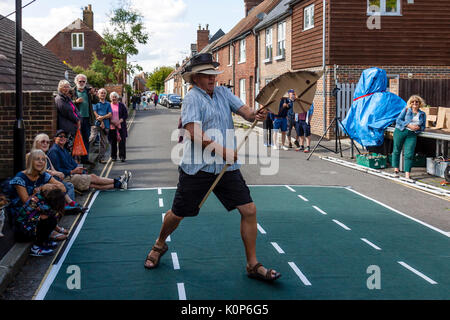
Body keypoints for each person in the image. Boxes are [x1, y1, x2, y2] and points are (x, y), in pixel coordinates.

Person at [143, 53, 281, 282]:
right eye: (207, 75)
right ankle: (159, 245)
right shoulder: (192, 99)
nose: (212, 79)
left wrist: (256, 113)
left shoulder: (223, 92)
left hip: (226, 168)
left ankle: (252, 264)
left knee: (249, 210)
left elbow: (246, 112)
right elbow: (193, 132)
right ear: (195, 78)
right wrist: (222, 149)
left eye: (213, 74)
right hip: (198, 168)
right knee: (178, 214)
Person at [8, 149, 67, 256]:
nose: (41, 162)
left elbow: (62, 188)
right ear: (30, 162)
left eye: (43, 159)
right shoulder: (20, 178)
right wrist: (40, 192)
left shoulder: (43, 175)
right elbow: (26, 202)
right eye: (37, 159)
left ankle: (44, 240)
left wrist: (46, 187)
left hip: (36, 211)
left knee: (56, 206)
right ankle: (36, 247)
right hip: (21, 218)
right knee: (47, 217)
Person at [48, 130, 131, 191]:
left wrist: (80, 170)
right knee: (93, 178)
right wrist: (72, 171)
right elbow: (57, 171)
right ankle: (119, 180)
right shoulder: (54, 151)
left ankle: (120, 184)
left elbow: (72, 163)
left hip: (71, 174)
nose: (63, 138)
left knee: (93, 184)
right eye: (60, 136)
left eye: (64, 136)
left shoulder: (63, 149)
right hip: (64, 178)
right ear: (55, 138)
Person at [30, 134, 87, 215]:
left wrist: (58, 173)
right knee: (62, 186)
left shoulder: (46, 156)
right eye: (43, 141)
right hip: (38, 183)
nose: (45, 143)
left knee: (67, 185)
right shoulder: (31, 155)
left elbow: (53, 169)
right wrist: (56, 173)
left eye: (47, 142)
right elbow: (39, 171)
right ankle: (67, 206)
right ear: (36, 143)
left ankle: (69, 205)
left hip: (47, 179)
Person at [392, 95, 427, 180]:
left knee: (409, 153)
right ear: (410, 103)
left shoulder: (422, 114)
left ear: (419, 103)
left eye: (416, 102)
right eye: (413, 102)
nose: (414, 103)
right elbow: (398, 120)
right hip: (401, 131)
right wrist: (408, 125)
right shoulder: (406, 110)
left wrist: (418, 128)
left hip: (412, 134)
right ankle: (396, 170)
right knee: (397, 150)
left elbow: (423, 126)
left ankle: (407, 174)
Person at [73, 74, 96, 165]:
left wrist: (93, 94)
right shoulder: (72, 91)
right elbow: (68, 102)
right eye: (80, 81)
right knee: (76, 138)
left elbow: (95, 101)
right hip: (76, 119)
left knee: (86, 138)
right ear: (76, 82)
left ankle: (85, 159)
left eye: (83, 81)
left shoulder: (88, 91)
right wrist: (76, 101)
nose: (82, 83)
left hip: (86, 118)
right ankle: (76, 160)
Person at [55, 80, 81, 153]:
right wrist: (77, 120)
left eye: (67, 87)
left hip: (72, 127)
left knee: (72, 148)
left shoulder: (67, 98)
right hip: (66, 128)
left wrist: (79, 118)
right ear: (60, 88)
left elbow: (76, 110)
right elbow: (68, 113)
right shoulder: (59, 99)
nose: (66, 89)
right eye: (64, 87)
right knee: (68, 148)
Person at [90, 88, 112, 164]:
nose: (102, 94)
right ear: (98, 94)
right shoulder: (95, 103)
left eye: (104, 93)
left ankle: (101, 158)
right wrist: (101, 121)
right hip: (96, 124)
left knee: (104, 142)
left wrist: (102, 118)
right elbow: (94, 113)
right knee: (92, 138)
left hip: (106, 125)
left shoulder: (108, 104)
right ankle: (84, 155)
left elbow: (110, 114)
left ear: (106, 95)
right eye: (101, 93)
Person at [109, 92, 129, 162]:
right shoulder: (108, 105)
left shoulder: (121, 105)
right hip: (112, 126)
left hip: (121, 126)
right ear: (110, 98)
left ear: (117, 98)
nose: (113, 98)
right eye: (112, 97)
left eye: (115, 97)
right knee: (113, 142)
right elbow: (106, 115)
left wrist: (119, 121)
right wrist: (112, 122)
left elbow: (125, 115)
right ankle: (113, 156)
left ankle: (122, 156)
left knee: (122, 142)